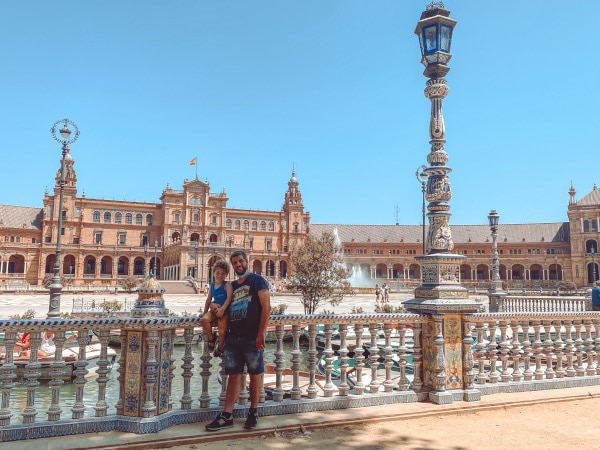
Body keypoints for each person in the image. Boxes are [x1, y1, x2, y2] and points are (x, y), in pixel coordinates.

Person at [205, 250, 270, 432]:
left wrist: (261, 333)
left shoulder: (257, 280)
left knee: (255, 374)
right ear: (232, 266)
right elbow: (219, 301)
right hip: (233, 336)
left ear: (246, 261)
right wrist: (212, 306)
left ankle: (253, 411)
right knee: (233, 375)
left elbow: (267, 307)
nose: (238, 264)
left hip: (252, 336)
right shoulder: (231, 285)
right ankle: (227, 415)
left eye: (241, 261)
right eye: (235, 263)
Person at [200, 260, 233, 357]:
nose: (220, 275)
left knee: (222, 331)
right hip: (214, 310)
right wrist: (205, 312)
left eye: (223, 273)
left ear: (226, 275)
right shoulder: (212, 286)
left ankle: (221, 347)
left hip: (224, 311)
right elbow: (208, 300)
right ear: (213, 272)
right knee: (204, 320)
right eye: (218, 273)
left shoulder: (227, 285)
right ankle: (211, 338)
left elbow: (229, 298)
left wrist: (222, 309)